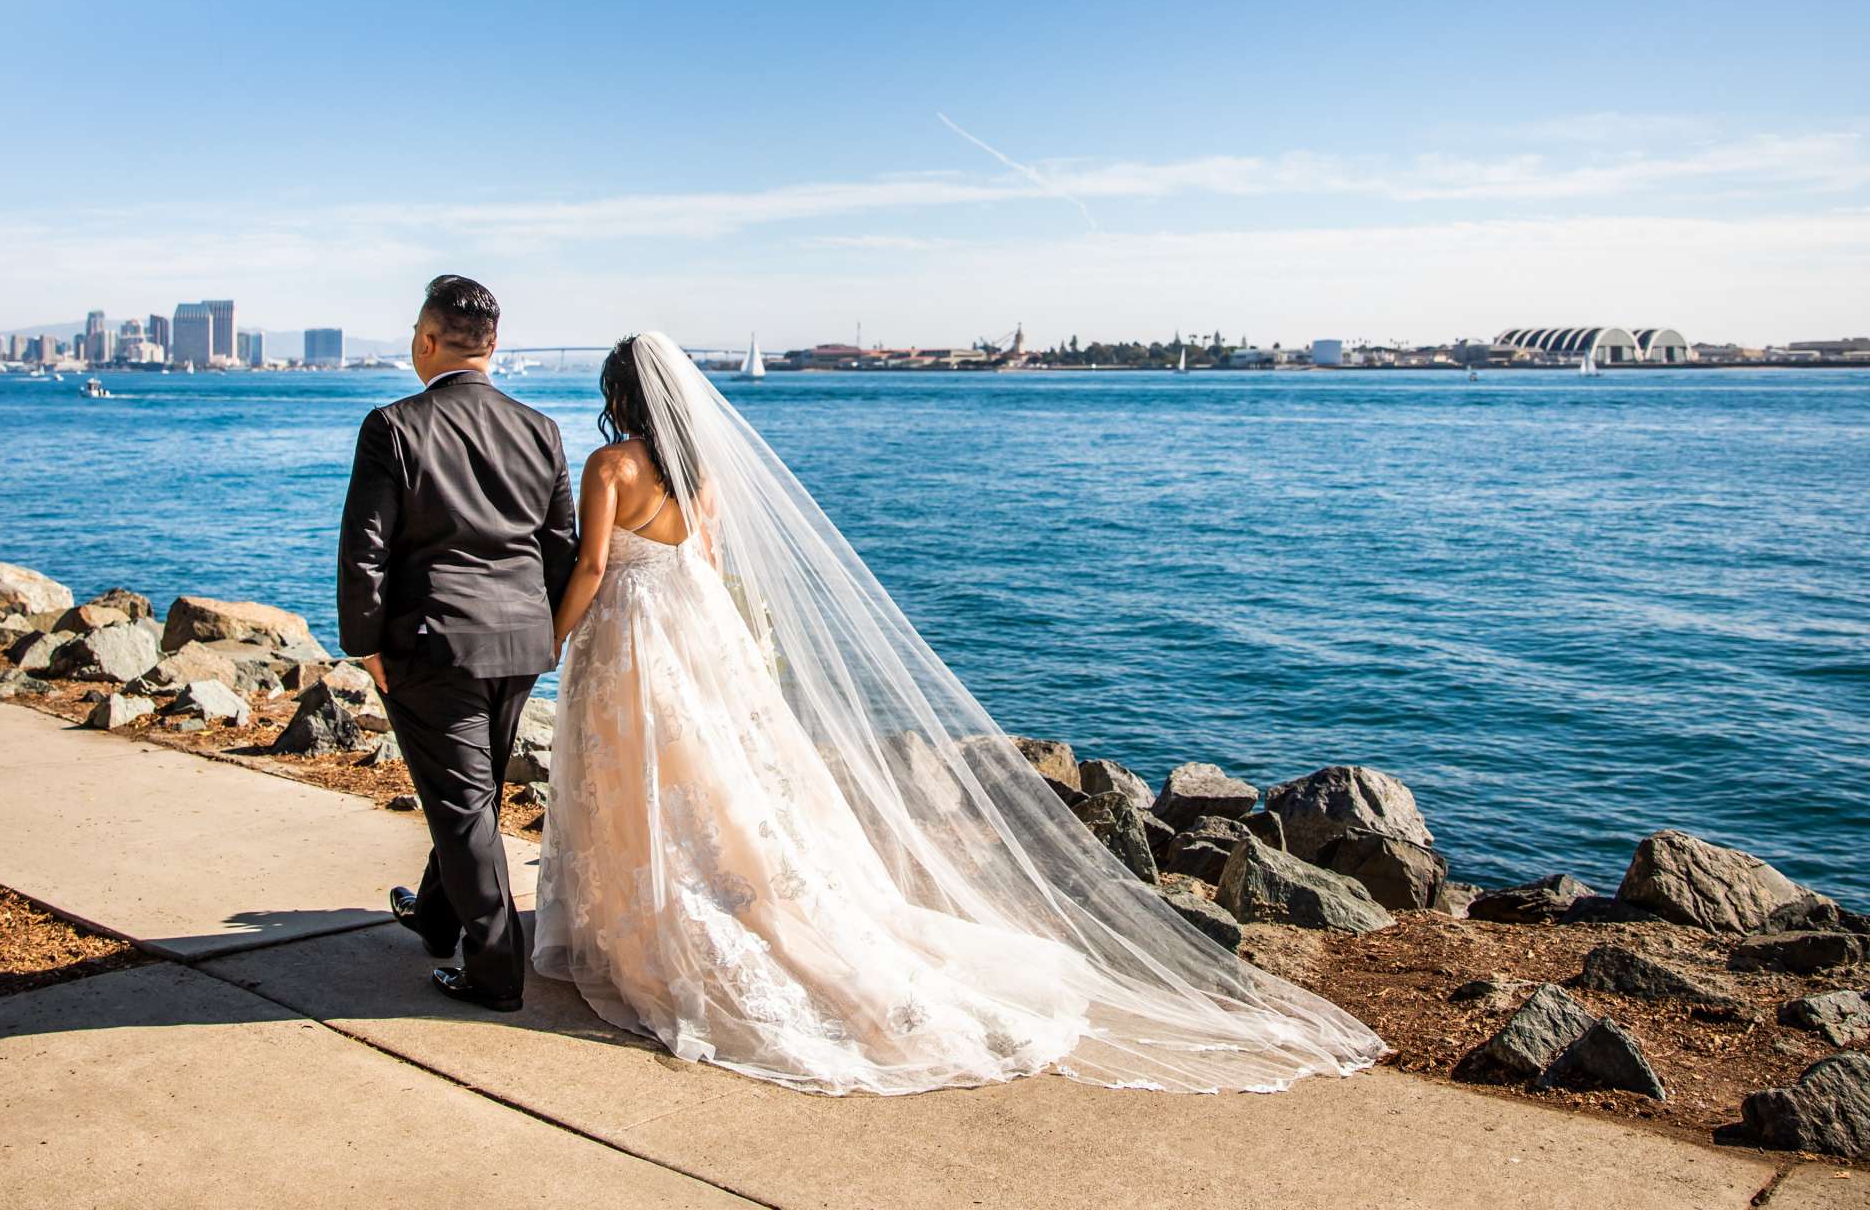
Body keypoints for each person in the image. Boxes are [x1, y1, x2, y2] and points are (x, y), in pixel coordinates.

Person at [532, 332, 1387, 1094]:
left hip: (634, 633)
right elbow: (709, 567)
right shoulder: (704, 476)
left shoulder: (613, 467)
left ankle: (639, 919)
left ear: (620, 396)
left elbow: (595, 566)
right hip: (697, 630)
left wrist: (555, 641)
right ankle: (721, 896)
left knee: (634, 771)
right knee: (717, 780)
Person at [338, 275, 574, 1011]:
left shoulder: (394, 425)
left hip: (433, 644)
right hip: (520, 642)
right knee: (471, 792)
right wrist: (548, 632)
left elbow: (365, 549)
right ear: (493, 346)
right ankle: (436, 917)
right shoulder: (541, 429)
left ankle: (496, 970)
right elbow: (559, 546)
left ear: (427, 341)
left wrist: (364, 644)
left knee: (465, 806)